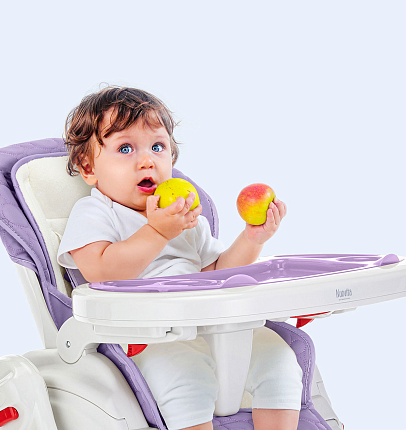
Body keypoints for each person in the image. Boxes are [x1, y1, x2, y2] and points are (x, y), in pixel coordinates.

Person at [57, 86, 303, 430]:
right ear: (88, 168)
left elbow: (218, 272)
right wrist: (156, 233)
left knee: (279, 360)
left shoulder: (185, 217)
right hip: (149, 335)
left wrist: (251, 239)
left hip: (212, 322)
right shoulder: (96, 212)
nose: (147, 160)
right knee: (186, 381)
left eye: (157, 147)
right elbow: (100, 271)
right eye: (125, 148)